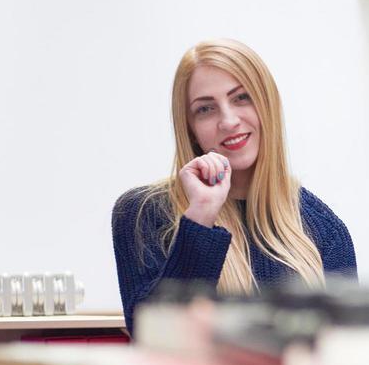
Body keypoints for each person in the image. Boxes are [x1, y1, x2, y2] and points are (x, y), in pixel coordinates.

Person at [112, 38, 356, 335]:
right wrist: (200, 216)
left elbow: (344, 351)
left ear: (268, 106)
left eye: (241, 98)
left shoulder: (324, 229)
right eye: (205, 109)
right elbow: (152, 335)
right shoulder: (143, 213)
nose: (228, 121)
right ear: (189, 128)